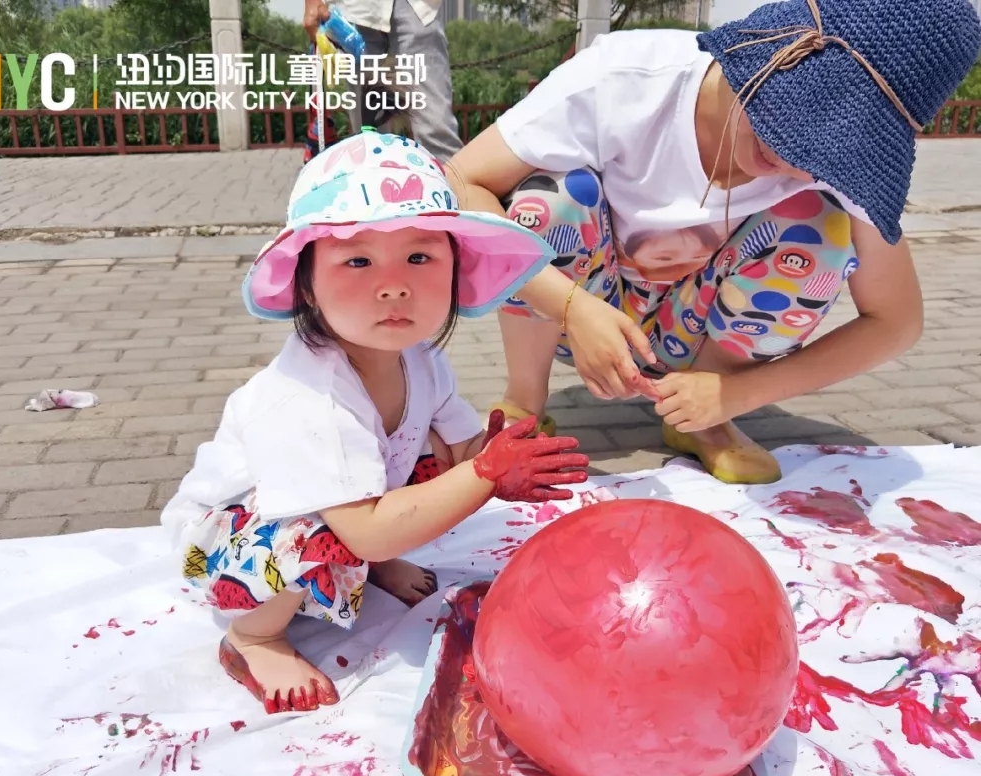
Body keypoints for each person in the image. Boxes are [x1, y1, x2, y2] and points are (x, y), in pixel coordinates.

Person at [443, 0, 981, 485]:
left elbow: (897, 321)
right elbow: (462, 179)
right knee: (549, 199)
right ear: (767, 53)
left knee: (819, 224)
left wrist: (738, 395)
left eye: (827, 151)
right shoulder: (626, 78)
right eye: (792, 119)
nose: (795, 162)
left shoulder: (825, 173)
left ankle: (704, 413)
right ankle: (524, 402)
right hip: (574, 315)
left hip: (696, 331)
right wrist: (570, 306)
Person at [160, 130, 589, 714]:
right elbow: (364, 528)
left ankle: (370, 569)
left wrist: (499, 452)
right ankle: (254, 638)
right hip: (222, 541)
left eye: (420, 256)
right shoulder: (308, 396)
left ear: (455, 272)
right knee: (315, 531)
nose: (393, 284)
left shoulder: (420, 357)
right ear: (306, 286)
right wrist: (484, 476)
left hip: (345, 509)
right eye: (357, 260)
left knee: (430, 461)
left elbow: (459, 450)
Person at [304, 0, 465, 163]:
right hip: (356, 12)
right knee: (367, 141)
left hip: (417, 7)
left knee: (437, 136)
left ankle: (452, 183)